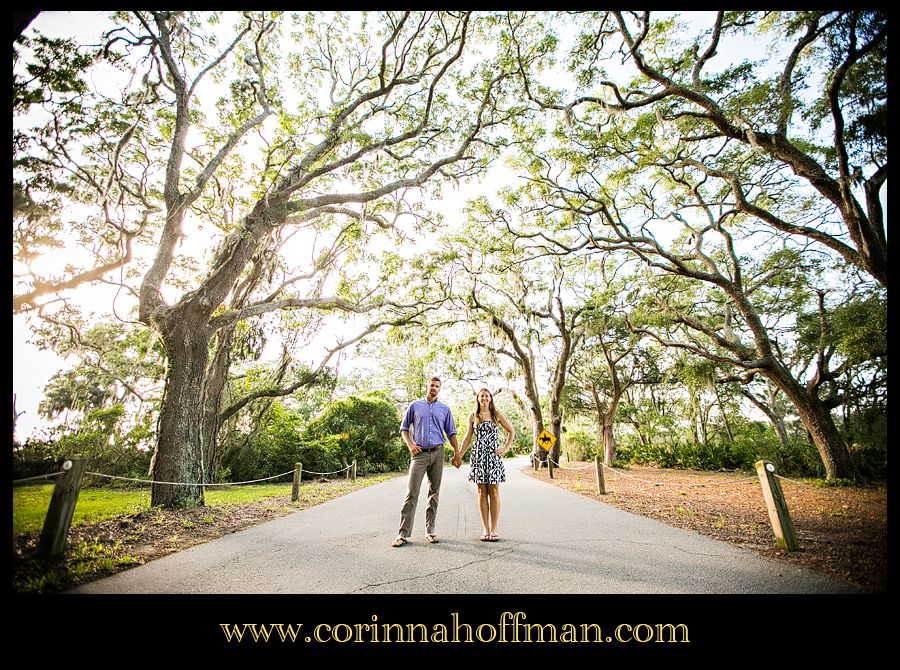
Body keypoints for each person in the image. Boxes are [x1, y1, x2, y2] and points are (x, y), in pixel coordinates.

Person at [392, 376, 459, 547]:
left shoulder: (445, 409)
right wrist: (410, 445)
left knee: (434, 492)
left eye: (437, 386)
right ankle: (403, 534)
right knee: (412, 492)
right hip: (419, 454)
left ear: (439, 389)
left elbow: (451, 432)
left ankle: (430, 531)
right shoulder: (415, 406)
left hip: (438, 452)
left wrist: (457, 453)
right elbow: (404, 428)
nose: (434, 388)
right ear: (426, 387)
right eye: (432, 385)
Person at [453, 388, 515, 542]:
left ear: (491, 399)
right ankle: (485, 529)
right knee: (481, 493)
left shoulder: (497, 415)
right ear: (478, 399)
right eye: (482, 396)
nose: (485, 399)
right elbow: (467, 438)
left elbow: (511, 432)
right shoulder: (473, 416)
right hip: (478, 456)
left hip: (493, 457)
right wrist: (459, 456)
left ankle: (494, 530)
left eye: (487, 396)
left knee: (493, 492)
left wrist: (505, 448)